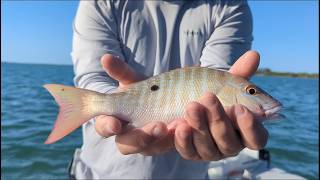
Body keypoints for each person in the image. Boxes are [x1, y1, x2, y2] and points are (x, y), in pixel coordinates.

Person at [69, 0, 268, 179]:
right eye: (251, 91)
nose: (255, 95)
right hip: (98, 173)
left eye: (252, 92)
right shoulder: (101, 2)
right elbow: (93, 75)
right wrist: (108, 108)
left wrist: (222, 134)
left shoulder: (229, 6)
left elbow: (219, 74)